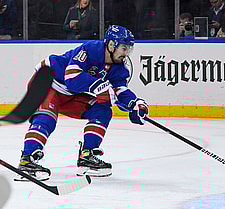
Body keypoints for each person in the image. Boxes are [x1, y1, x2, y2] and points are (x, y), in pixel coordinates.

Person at [15, 25, 149, 181]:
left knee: (102, 109)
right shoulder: (90, 49)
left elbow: (120, 90)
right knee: (47, 117)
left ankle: (87, 155)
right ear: (112, 45)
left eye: (129, 49)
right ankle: (27, 159)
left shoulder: (119, 67)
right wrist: (100, 86)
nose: (126, 54)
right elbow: (71, 77)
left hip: (70, 94)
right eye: (124, 48)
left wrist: (135, 104)